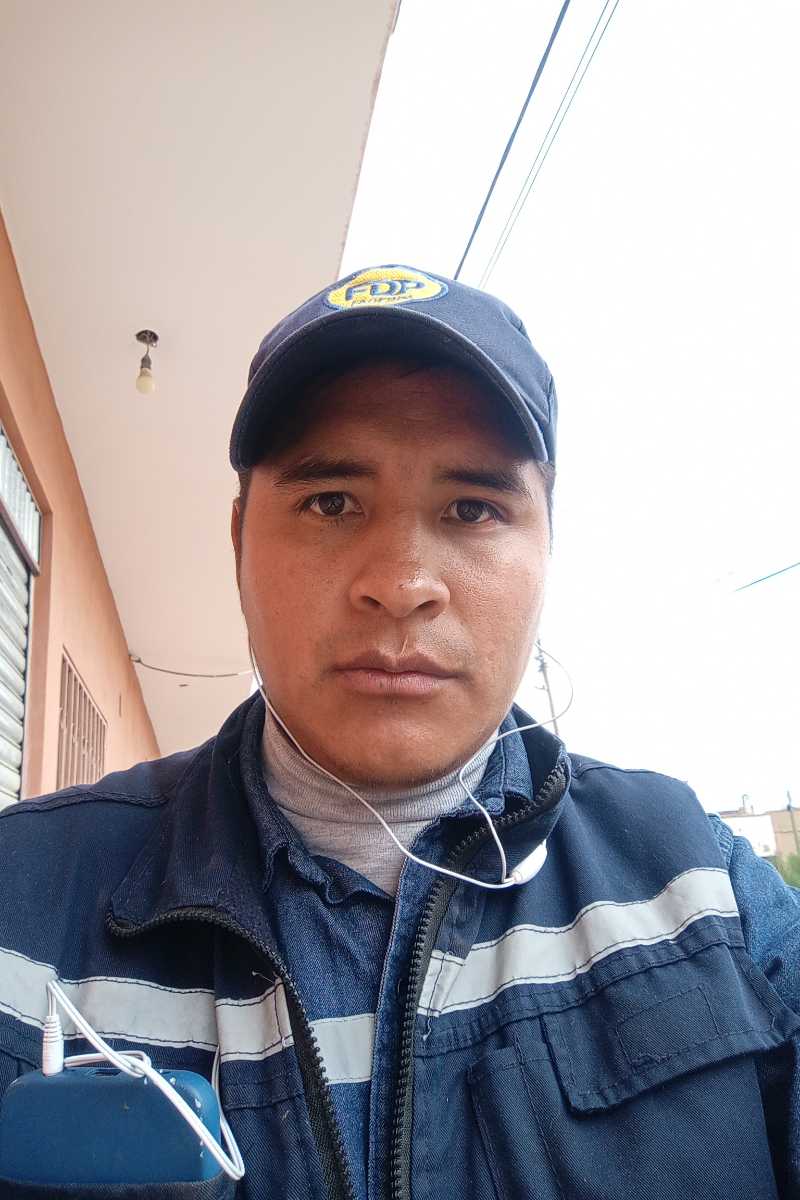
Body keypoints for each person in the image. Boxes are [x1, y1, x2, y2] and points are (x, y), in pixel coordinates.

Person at [0, 263, 798, 1199]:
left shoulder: (704, 891)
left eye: (473, 508)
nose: (402, 583)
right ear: (239, 540)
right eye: (331, 502)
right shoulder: (23, 912)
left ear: (548, 544)